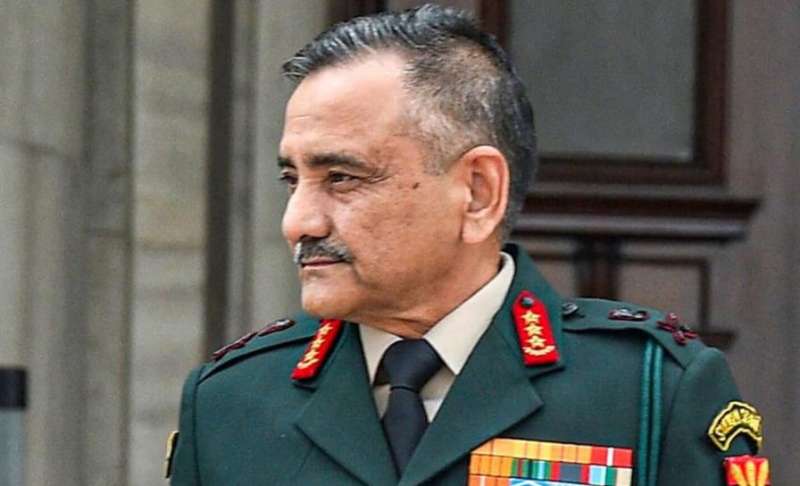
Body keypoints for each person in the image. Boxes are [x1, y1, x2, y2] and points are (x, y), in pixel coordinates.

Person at [166, 5, 768, 485]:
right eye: (292, 180)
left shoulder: (649, 391)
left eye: (342, 178)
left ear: (478, 192)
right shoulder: (230, 402)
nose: (298, 222)